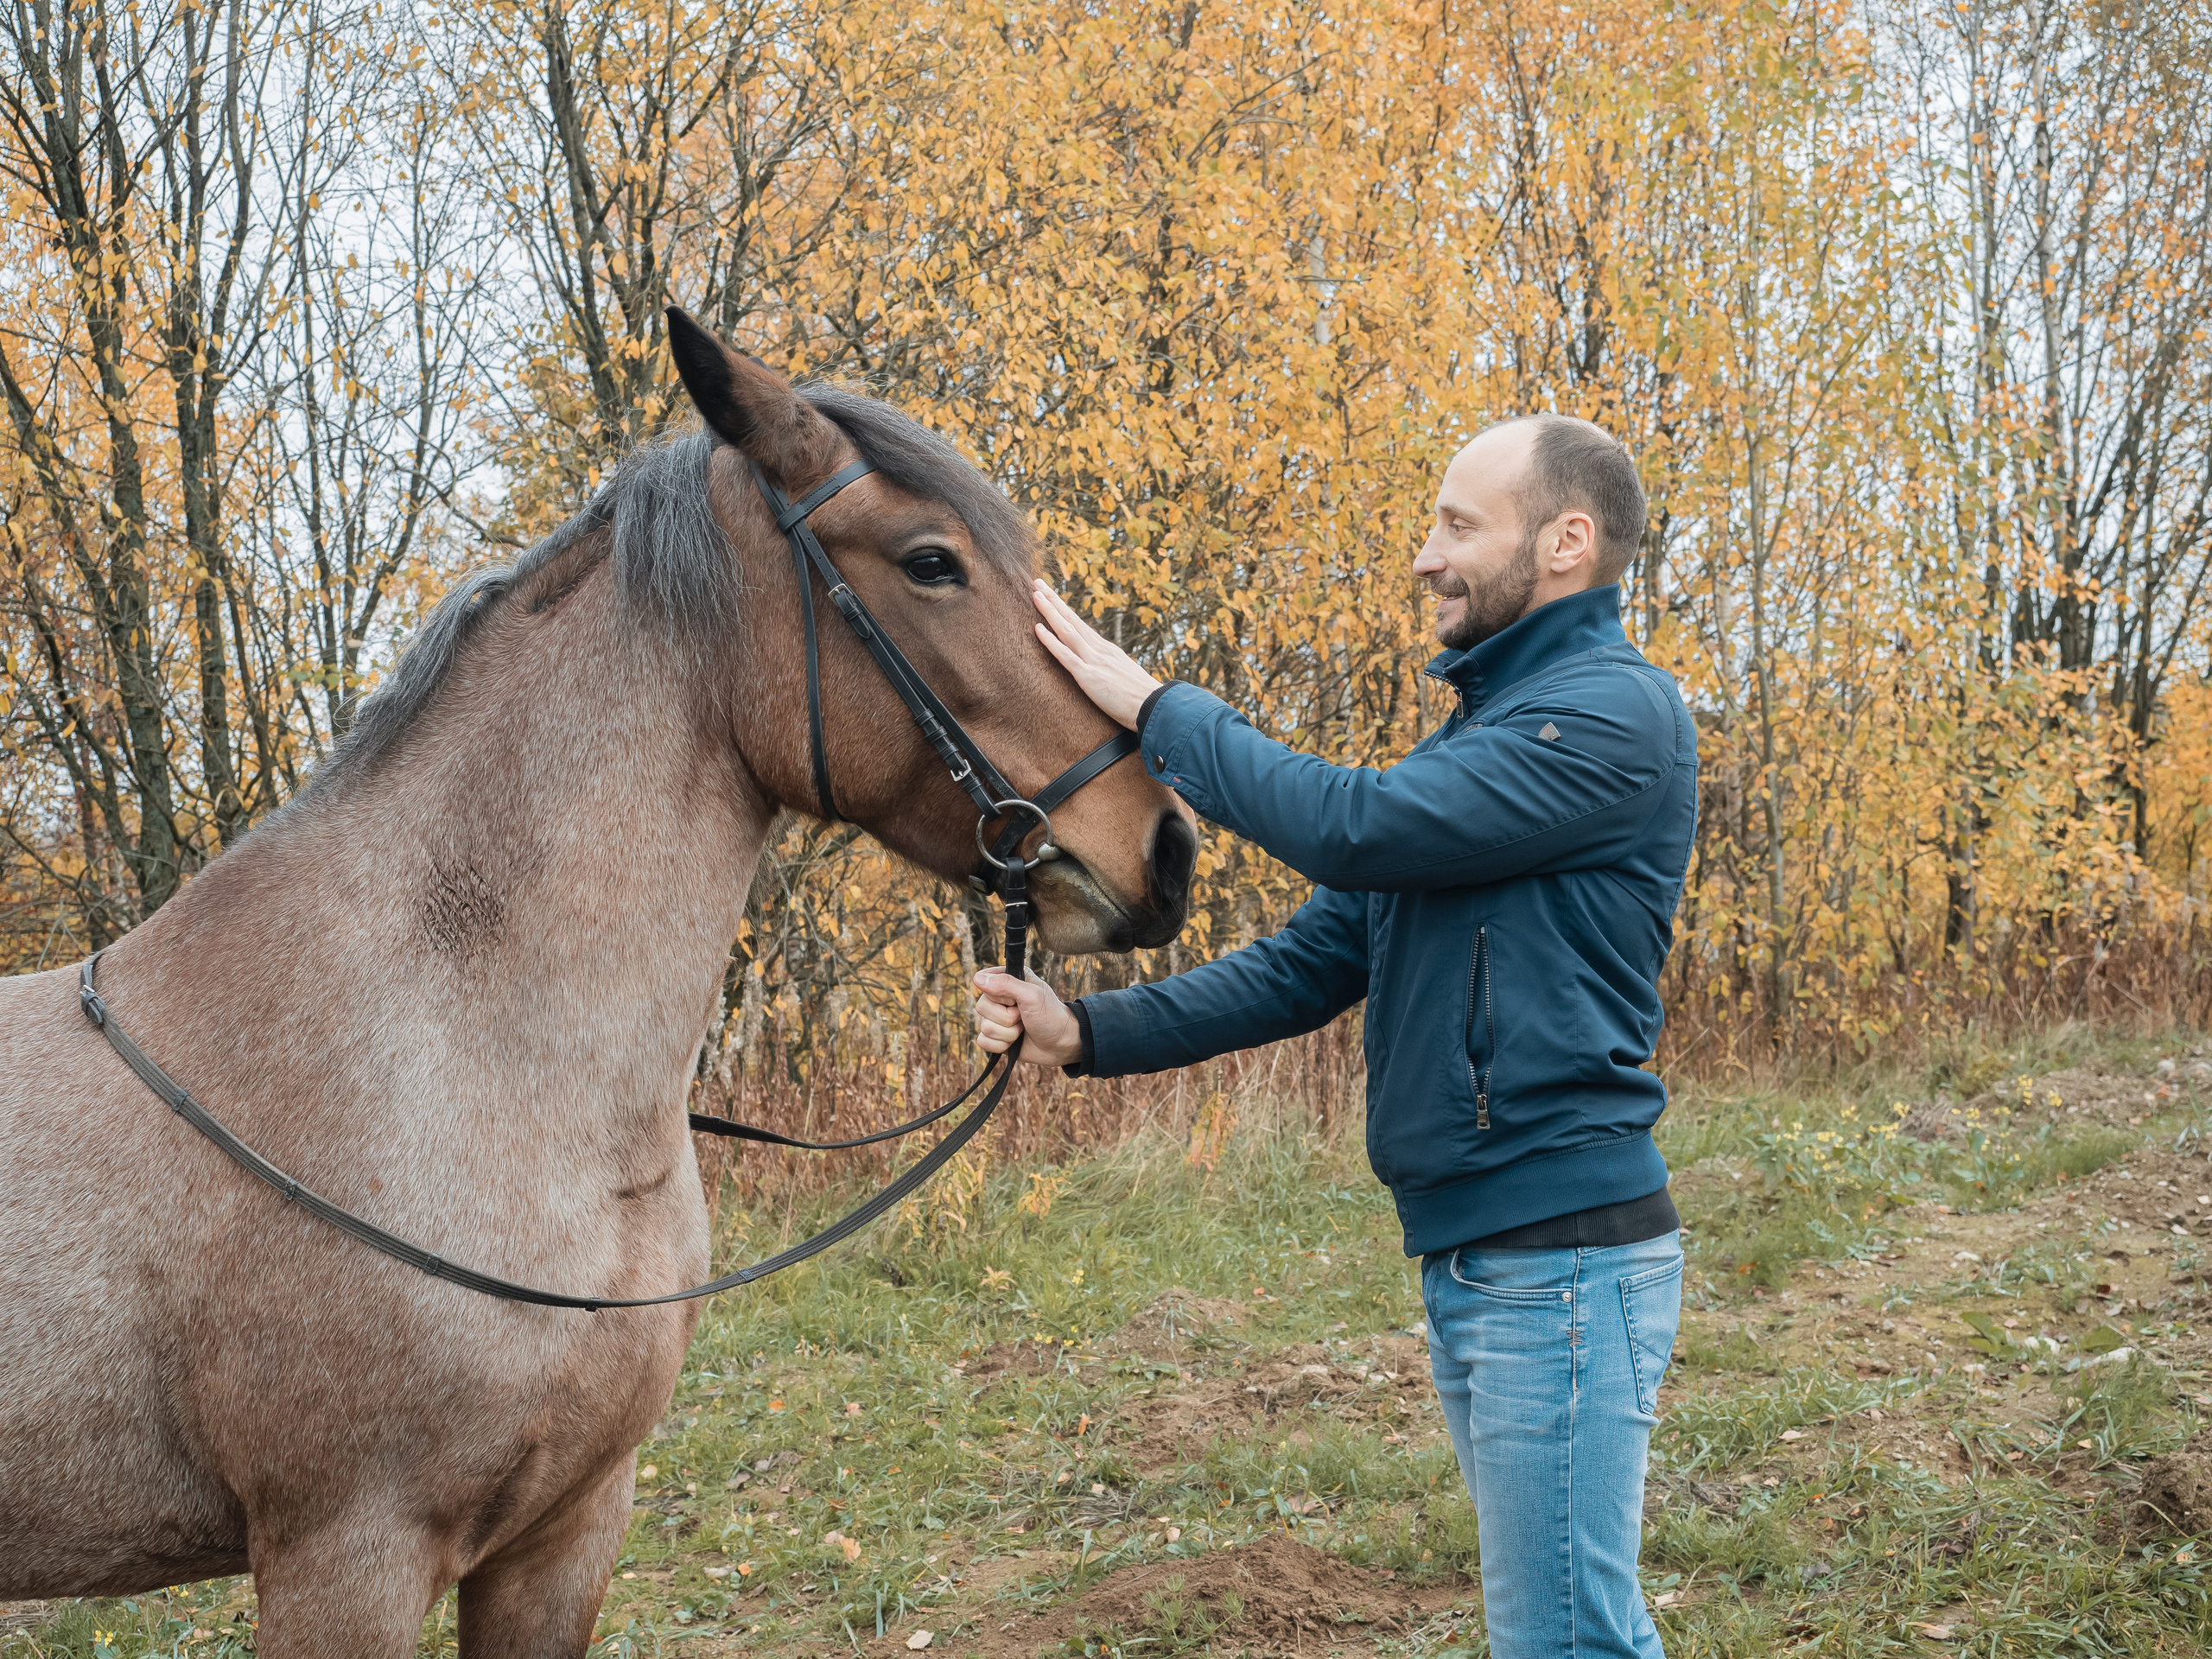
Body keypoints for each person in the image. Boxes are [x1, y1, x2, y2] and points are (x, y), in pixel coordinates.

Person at [973, 414, 1699, 1659]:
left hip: (1560, 1261)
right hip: (1486, 1256)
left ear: (1567, 543)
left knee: (1570, 1641)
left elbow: (1355, 829)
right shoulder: (1484, 736)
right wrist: (1084, 1032)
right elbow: (1313, 960)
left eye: (1459, 524)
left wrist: (1160, 713)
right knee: (1567, 1636)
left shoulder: (1612, 719)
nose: (1426, 556)